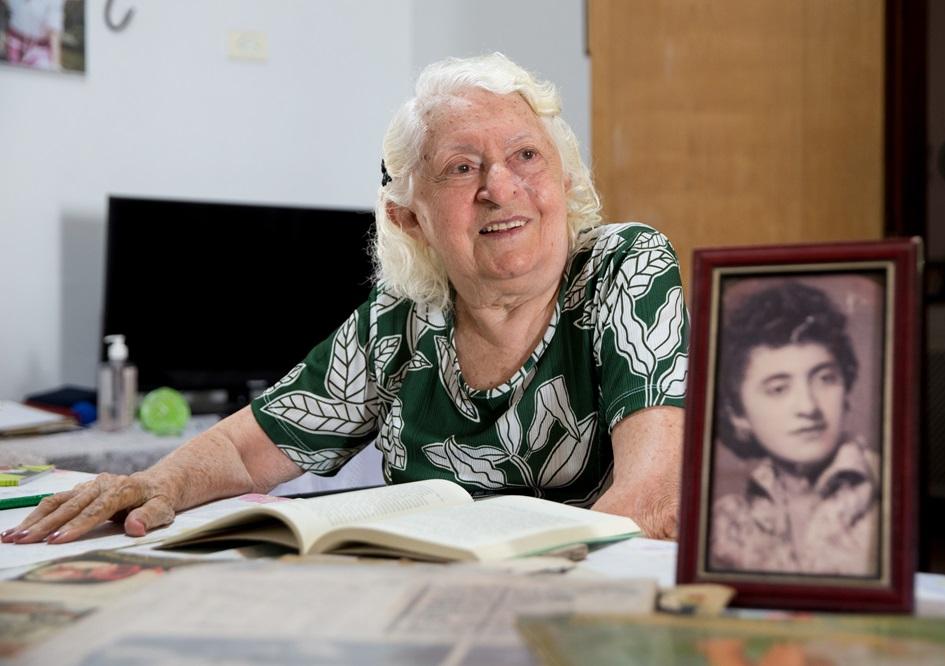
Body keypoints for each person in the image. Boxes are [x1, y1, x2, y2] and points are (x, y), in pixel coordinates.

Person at [2, 52, 689, 546]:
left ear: (562, 177)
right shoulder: (402, 318)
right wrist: (161, 483)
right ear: (409, 218)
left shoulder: (624, 267)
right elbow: (249, 449)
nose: (499, 187)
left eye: (526, 156)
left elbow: (649, 500)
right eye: (461, 167)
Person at [709, 280, 879, 575]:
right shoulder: (728, 522)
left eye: (825, 379)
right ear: (738, 413)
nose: (808, 407)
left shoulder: (887, 491)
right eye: (778, 389)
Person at [1, 0, 65, 70]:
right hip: (14, 42)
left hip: (39, 48)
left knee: (41, 72)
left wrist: (55, 64)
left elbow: (54, 33)